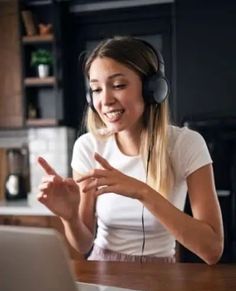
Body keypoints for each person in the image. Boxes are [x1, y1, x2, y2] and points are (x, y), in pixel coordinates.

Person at [37, 36, 224, 265]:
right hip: (103, 268)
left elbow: (212, 250)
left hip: (162, 271)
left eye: (118, 85)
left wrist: (142, 192)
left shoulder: (187, 144)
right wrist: (69, 217)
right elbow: (84, 245)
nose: (104, 100)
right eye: (95, 89)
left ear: (152, 89)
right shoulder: (88, 146)